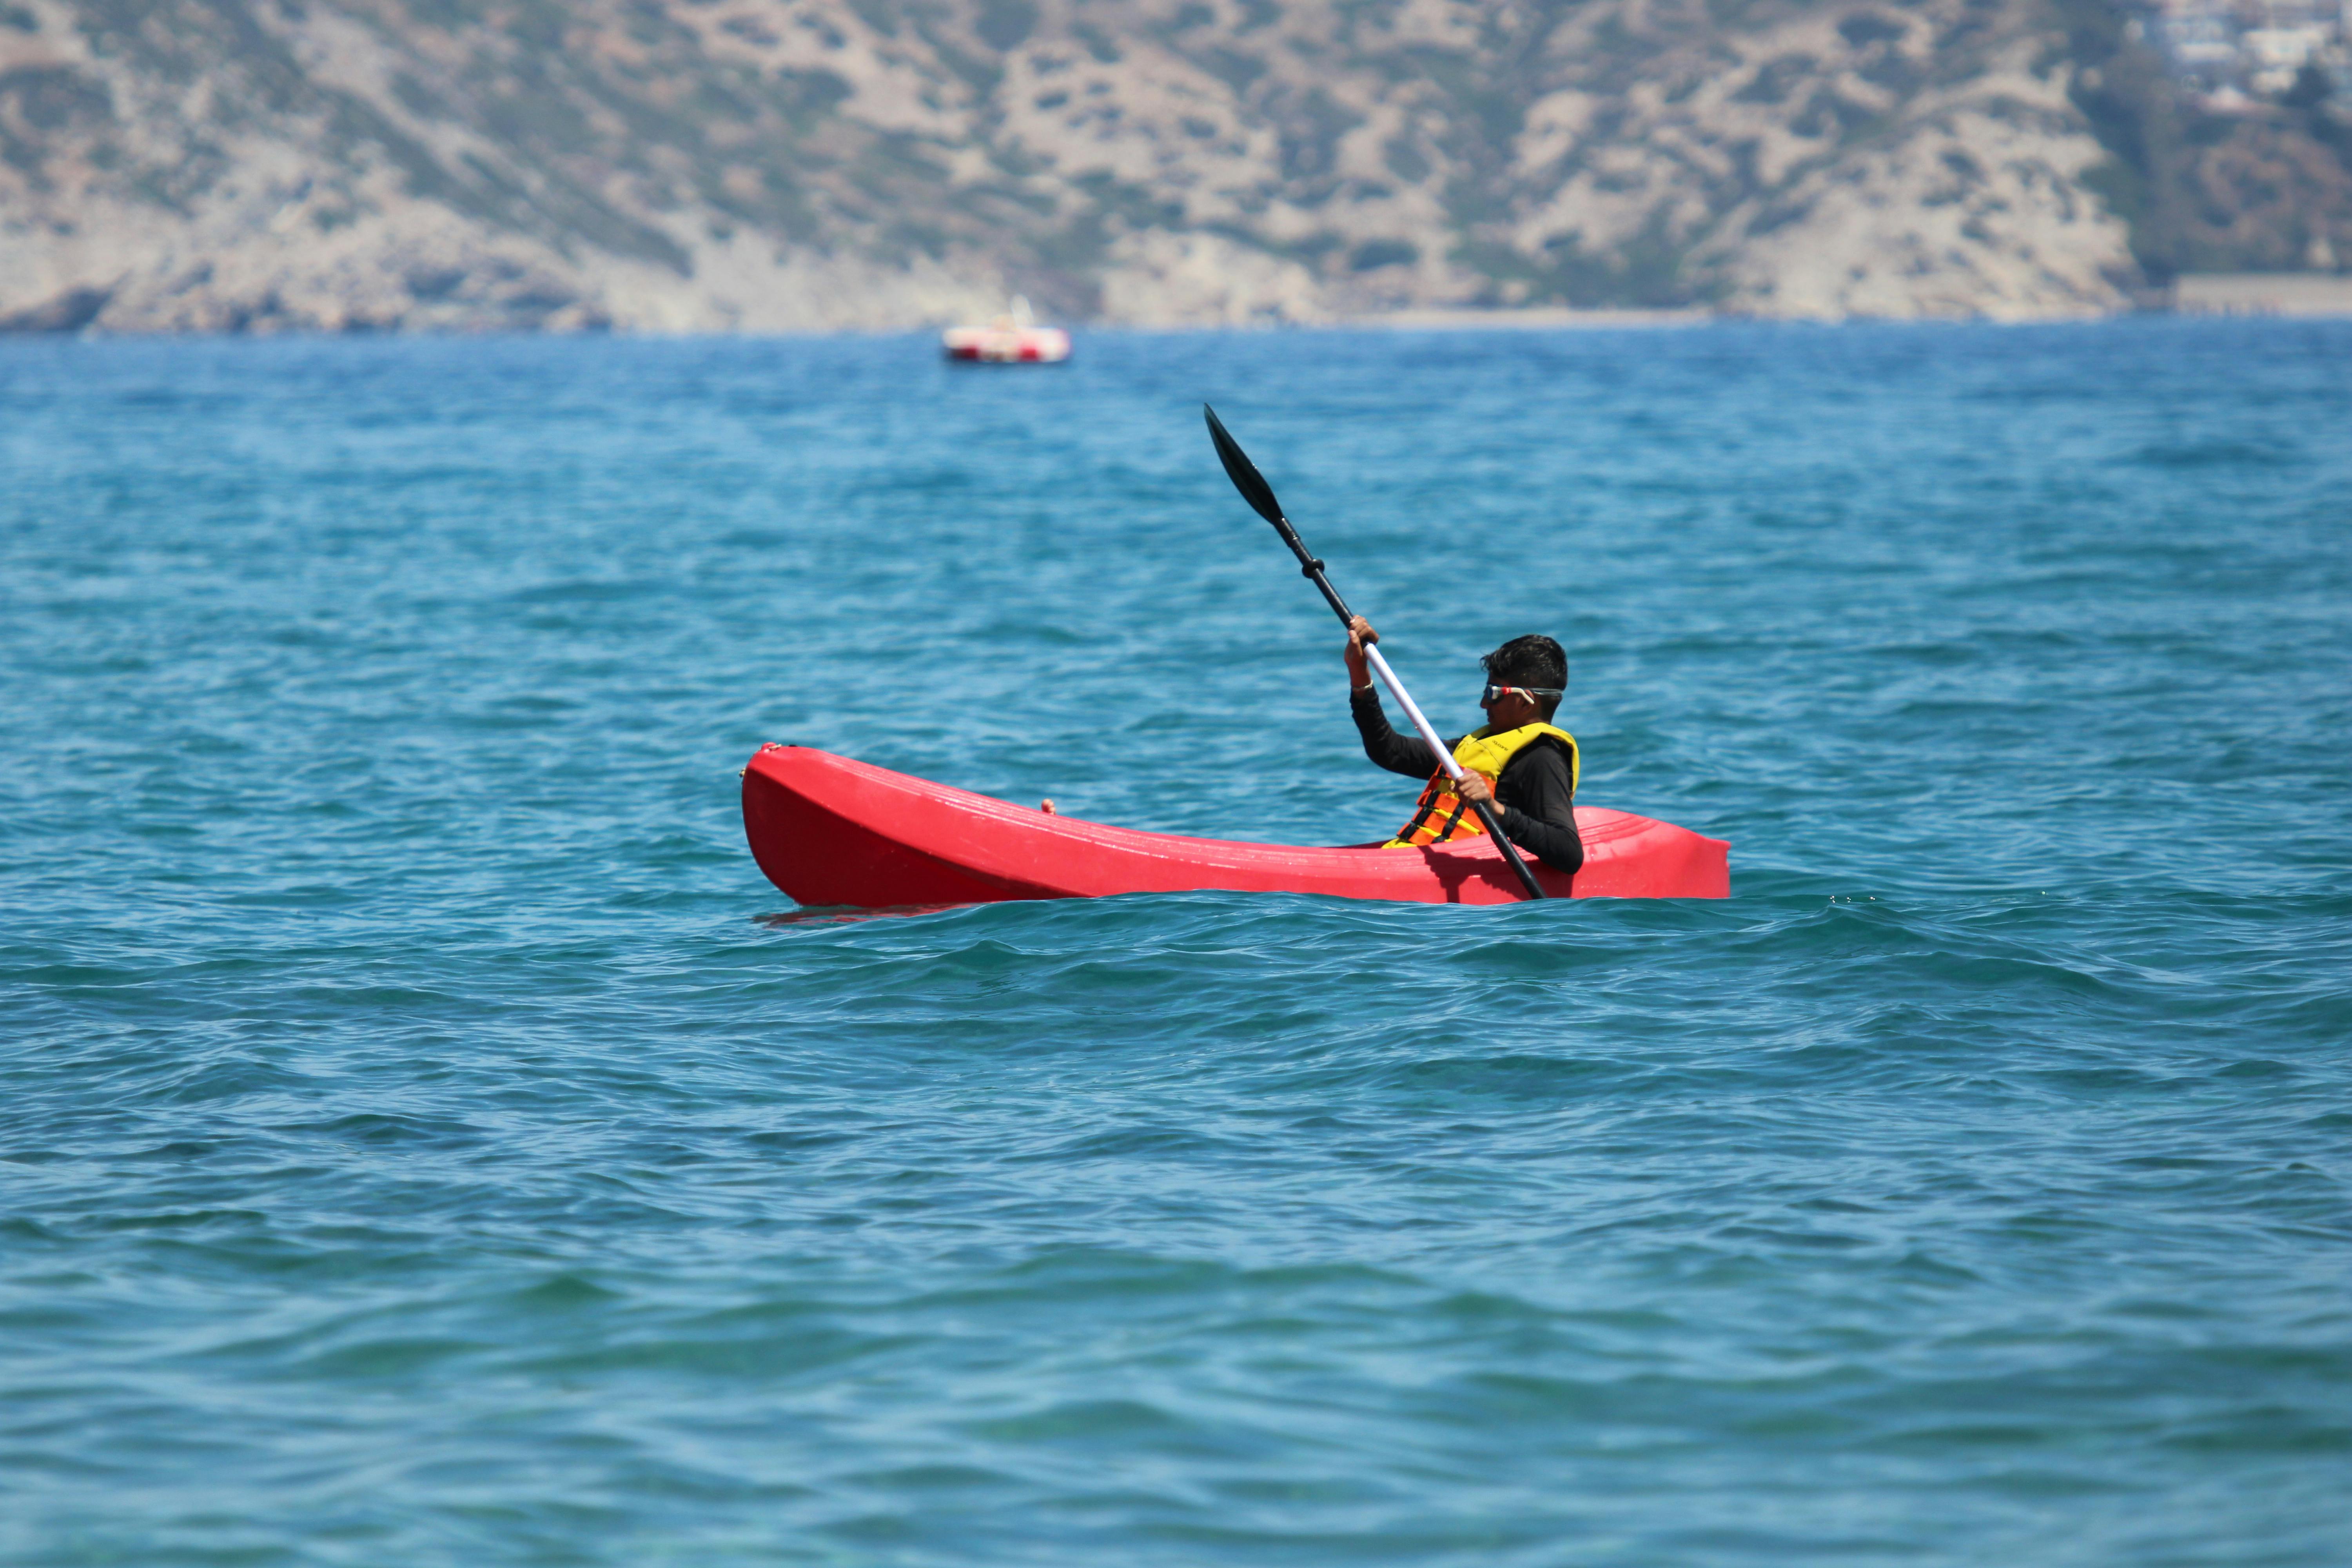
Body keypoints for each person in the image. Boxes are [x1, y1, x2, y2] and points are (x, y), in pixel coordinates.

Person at [1345, 616, 1584, 876]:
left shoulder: (1543, 759)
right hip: (1418, 862)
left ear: (1526, 703)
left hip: (1463, 887)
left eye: (1494, 693)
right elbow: (1389, 751)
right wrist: (1360, 675)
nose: (1484, 704)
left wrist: (1494, 808)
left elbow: (1569, 852)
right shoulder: (1477, 745)